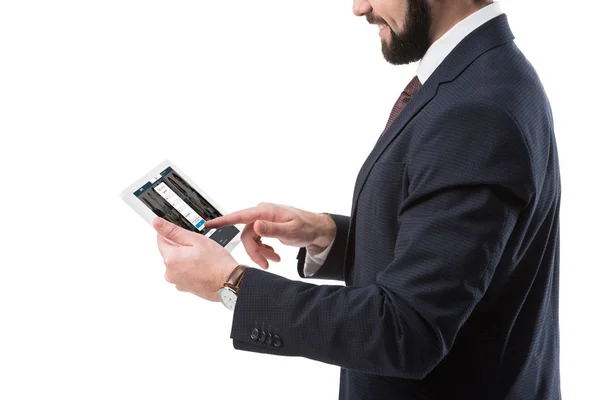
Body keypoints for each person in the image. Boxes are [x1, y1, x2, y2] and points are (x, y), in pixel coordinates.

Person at [151, 0, 561, 398]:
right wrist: (329, 236)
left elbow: (407, 331)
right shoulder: (487, 72)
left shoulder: (476, 109)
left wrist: (231, 283)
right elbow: (466, 264)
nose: (359, 8)